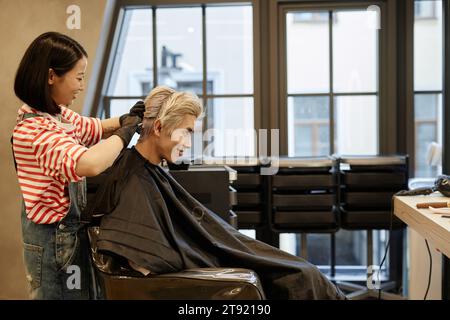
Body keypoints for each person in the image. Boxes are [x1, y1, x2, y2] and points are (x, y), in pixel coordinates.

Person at [91, 86, 346, 300]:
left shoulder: (147, 172)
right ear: (158, 128)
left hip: (210, 257)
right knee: (301, 276)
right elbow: (144, 261)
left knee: (303, 272)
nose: (189, 144)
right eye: (187, 132)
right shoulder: (133, 177)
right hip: (199, 270)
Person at [12, 32, 144, 299]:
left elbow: (94, 127)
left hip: (69, 236)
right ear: (51, 76)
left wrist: (127, 118)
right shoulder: (33, 130)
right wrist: (126, 135)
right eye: (79, 77)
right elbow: (89, 164)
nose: (81, 86)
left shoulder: (56, 115)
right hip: (52, 243)